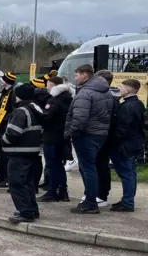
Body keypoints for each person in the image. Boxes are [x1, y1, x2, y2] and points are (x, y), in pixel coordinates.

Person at [64, 64, 115, 214]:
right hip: (100, 134)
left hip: (86, 135)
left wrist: (70, 133)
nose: (76, 78)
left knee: (88, 168)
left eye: (78, 75)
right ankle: (92, 199)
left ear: (85, 75)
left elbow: (79, 118)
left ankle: (90, 202)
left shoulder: (86, 93)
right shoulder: (105, 91)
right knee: (92, 167)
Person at [1, 83, 44, 223]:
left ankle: (25, 212)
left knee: (17, 183)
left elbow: (13, 133)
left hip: (19, 152)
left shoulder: (21, 111)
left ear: (18, 96)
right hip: (32, 152)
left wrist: (3, 140)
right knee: (29, 183)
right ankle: (32, 209)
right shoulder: (37, 109)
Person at [78, 70, 120, 207]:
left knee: (99, 165)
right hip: (103, 134)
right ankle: (94, 193)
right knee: (96, 165)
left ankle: (100, 195)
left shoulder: (107, 97)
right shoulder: (109, 96)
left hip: (101, 136)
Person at [108, 79, 145, 212]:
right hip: (132, 143)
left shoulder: (127, 107)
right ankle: (127, 200)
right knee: (130, 173)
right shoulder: (138, 104)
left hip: (124, 145)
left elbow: (122, 128)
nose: (119, 89)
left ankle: (128, 202)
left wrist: (112, 141)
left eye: (121, 87)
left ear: (127, 90)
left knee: (127, 174)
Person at [38, 76, 74, 202]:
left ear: (53, 85)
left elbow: (46, 117)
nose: (46, 87)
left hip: (51, 136)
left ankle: (52, 191)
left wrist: (39, 114)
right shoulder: (69, 99)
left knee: (52, 165)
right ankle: (62, 190)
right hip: (63, 136)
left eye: (48, 85)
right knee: (59, 165)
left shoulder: (53, 100)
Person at [0, 72, 18, 188]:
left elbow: (12, 109)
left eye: (3, 79)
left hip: (5, 124)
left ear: (7, 81)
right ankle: (0, 176)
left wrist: (5, 118)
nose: (2, 81)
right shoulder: (4, 92)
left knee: (4, 153)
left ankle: (5, 178)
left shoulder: (12, 93)